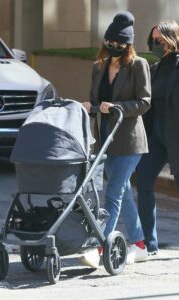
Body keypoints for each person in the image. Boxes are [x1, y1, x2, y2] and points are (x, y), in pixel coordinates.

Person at [79, 11, 151, 268]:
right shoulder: (98, 67)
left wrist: (116, 107)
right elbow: (95, 99)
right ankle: (140, 244)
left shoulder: (138, 65)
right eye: (110, 43)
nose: (114, 48)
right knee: (122, 193)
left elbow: (144, 102)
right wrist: (91, 105)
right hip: (105, 138)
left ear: (128, 45)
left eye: (120, 44)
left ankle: (98, 247)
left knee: (112, 193)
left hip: (130, 140)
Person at [137, 20, 179, 255]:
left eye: (160, 41)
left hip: (176, 134)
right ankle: (149, 243)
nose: (155, 44)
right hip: (156, 134)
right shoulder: (153, 68)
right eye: (152, 41)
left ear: (172, 39)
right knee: (143, 181)